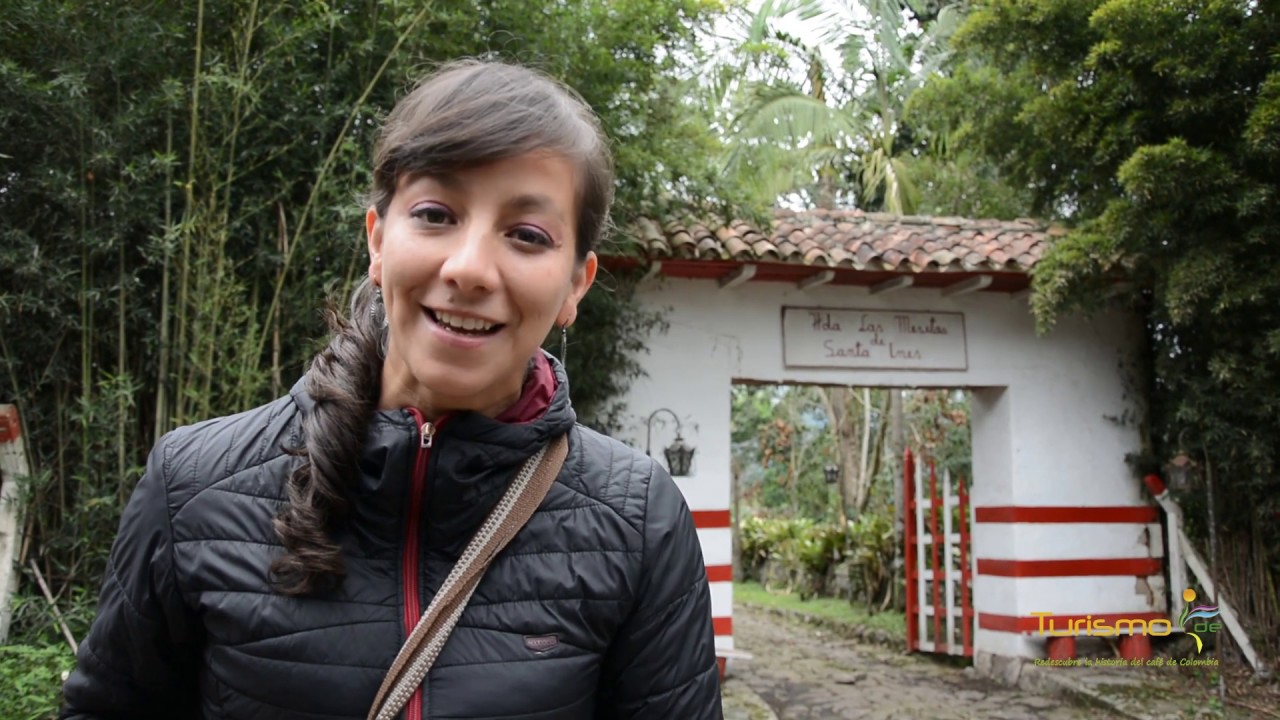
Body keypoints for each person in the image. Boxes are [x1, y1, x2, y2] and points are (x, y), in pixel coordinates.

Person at [61, 59, 723, 720]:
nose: (468, 269)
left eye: (527, 235)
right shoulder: (192, 488)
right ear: (378, 243)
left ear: (576, 284)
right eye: (436, 214)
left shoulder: (637, 522)